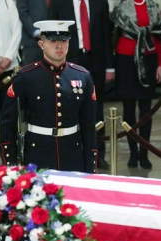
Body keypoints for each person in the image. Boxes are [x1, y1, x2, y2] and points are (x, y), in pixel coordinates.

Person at [0, 20, 97, 173]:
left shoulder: (82, 76)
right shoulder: (26, 76)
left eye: (64, 40)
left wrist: (91, 166)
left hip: (72, 154)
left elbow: (89, 125)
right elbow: (8, 123)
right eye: (52, 41)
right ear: (41, 44)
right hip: (37, 154)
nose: (59, 45)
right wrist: (10, 164)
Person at [48, 0, 115, 170]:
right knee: (69, 107)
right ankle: (70, 153)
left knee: (96, 108)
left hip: (96, 60)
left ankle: (97, 154)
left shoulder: (100, 2)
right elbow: (51, 35)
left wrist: (109, 66)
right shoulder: (59, 4)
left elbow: (106, 35)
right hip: (69, 59)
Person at [110, 0, 161, 169]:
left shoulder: (153, 7)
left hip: (148, 59)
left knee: (146, 109)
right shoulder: (120, 7)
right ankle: (133, 154)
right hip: (125, 60)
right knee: (128, 109)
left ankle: (144, 153)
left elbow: (158, 37)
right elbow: (113, 35)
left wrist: (160, 64)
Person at [0, 0, 22, 168]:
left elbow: (16, 30)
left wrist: (8, 58)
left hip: (10, 66)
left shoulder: (8, 2)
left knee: (9, 115)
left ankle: (9, 159)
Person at [17, 0, 49, 65]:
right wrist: (36, 32)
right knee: (32, 73)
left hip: (55, 41)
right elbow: (22, 12)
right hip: (32, 43)